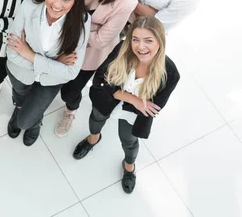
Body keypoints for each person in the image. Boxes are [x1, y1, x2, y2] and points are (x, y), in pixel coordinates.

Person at [72, 16, 180, 194]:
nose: (140, 47)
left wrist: (115, 90)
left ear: (160, 41)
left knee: (129, 141)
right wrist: (133, 99)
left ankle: (129, 167)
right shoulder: (123, 48)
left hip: (134, 115)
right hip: (108, 102)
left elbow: (151, 108)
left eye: (148, 40)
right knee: (95, 121)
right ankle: (93, 139)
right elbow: (99, 80)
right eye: (135, 39)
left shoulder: (170, 73)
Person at [55, 0, 138, 137]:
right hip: (60, 32)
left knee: (69, 92)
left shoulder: (127, 1)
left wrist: (70, 28)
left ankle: (70, 111)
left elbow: (101, 39)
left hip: (90, 51)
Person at [6, 0, 90, 146]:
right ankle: (19, 107)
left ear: (75, 0)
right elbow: (12, 52)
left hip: (50, 81)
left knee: (24, 122)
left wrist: (29, 54)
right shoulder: (28, 7)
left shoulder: (82, 21)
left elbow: (71, 72)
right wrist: (54, 63)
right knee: (19, 96)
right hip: (20, 71)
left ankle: (35, 119)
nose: (57, 5)